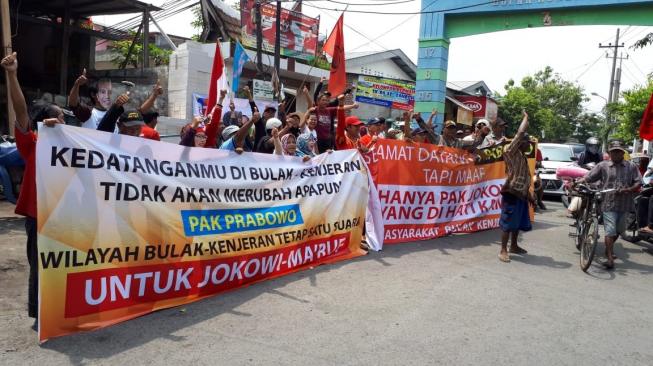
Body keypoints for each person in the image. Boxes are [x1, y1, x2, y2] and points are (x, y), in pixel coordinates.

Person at [2, 52, 66, 329]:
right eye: (60, 117)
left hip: (65, 217)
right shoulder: (34, 142)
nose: (63, 122)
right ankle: (41, 314)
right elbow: (21, 112)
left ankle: (62, 307)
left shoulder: (71, 148)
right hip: (39, 216)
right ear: (47, 122)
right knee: (40, 266)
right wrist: (12, 75)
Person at [579, 140, 642, 269]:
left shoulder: (631, 166)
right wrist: (579, 181)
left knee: (619, 231)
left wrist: (628, 189)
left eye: (619, 152)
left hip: (625, 204)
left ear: (623, 153)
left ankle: (608, 248)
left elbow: (638, 182)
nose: (616, 154)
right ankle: (609, 258)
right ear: (609, 153)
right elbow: (589, 177)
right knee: (610, 230)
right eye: (613, 152)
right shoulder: (603, 166)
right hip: (608, 203)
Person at [498, 111, 534, 263]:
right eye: (527, 143)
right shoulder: (511, 152)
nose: (529, 146)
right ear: (521, 143)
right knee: (508, 222)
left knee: (517, 222)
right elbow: (520, 133)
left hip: (521, 194)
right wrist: (526, 118)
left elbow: (524, 178)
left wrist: (529, 194)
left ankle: (514, 245)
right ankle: (503, 249)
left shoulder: (523, 158)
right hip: (512, 193)